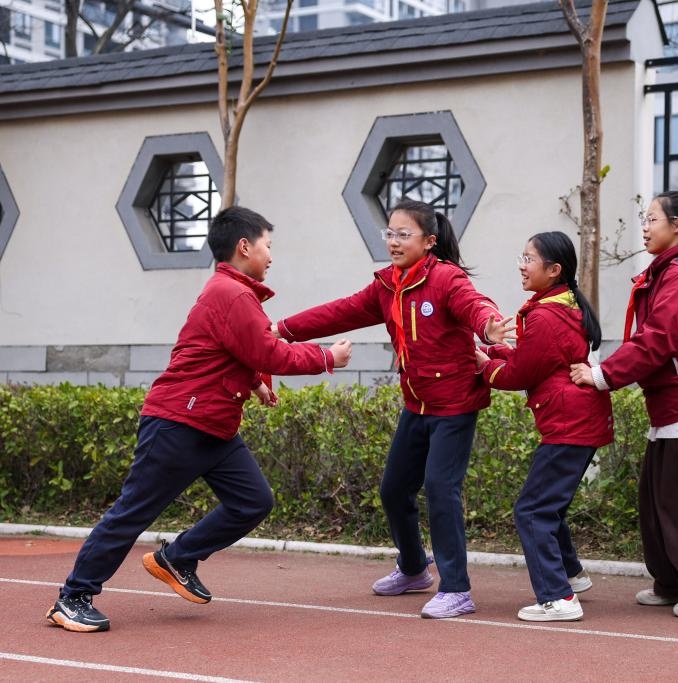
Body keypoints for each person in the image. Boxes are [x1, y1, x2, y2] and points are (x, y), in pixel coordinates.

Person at [46, 206, 353, 633]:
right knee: (133, 512)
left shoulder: (234, 294)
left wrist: (256, 382)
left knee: (253, 500)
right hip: (178, 423)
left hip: (213, 427)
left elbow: (239, 351)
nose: (271, 255)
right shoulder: (231, 294)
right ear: (244, 247)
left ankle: (178, 558)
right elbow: (268, 351)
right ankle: (73, 597)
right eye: (268, 245)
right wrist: (326, 357)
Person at [273, 199, 512, 619]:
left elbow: (475, 304)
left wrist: (488, 324)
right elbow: (339, 311)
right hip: (416, 404)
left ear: (429, 241)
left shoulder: (445, 279)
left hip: (454, 404)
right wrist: (282, 329)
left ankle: (457, 589)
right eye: (390, 233)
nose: (394, 242)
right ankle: (415, 569)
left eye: (404, 234)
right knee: (393, 489)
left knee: (441, 489)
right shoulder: (388, 286)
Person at [570, 191, 678, 619]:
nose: (645, 227)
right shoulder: (672, 271)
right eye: (643, 218)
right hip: (674, 401)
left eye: (651, 219)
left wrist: (602, 375)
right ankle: (673, 582)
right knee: (657, 500)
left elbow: (658, 339)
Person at [475, 231, 613, 622]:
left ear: (553, 270)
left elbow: (521, 372)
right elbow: (535, 359)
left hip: (570, 423)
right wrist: (489, 352)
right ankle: (571, 575)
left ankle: (558, 597)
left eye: (529, 259)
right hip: (578, 418)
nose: (522, 264)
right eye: (522, 256)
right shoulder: (561, 305)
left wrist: (484, 366)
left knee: (532, 510)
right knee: (548, 506)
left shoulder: (546, 315)